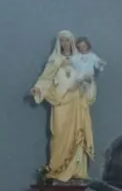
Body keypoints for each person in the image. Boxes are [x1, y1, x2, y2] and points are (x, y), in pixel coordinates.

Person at [29, 30, 96, 182]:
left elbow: (88, 79)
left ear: (72, 42)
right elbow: (45, 78)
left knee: (77, 134)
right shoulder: (55, 60)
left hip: (76, 103)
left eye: (67, 40)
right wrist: (38, 88)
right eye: (62, 41)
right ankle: (58, 169)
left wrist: (87, 83)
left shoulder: (80, 60)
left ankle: (77, 171)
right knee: (59, 134)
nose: (64, 44)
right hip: (59, 102)